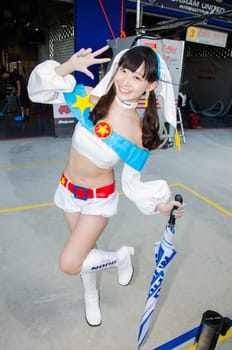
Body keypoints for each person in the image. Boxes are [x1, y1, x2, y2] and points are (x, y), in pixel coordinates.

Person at [27, 45, 185, 327]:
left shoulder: (138, 134)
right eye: (124, 70)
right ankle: (91, 292)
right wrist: (68, 66)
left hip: (98, 200)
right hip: (67, 191)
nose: (125, 81)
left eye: (137, 77)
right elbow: (41, 91)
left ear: (149, 86)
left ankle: (120, 257)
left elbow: (133, 183)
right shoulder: (93, 98)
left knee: (70, 263)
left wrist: (160, 204)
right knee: (86, 252)